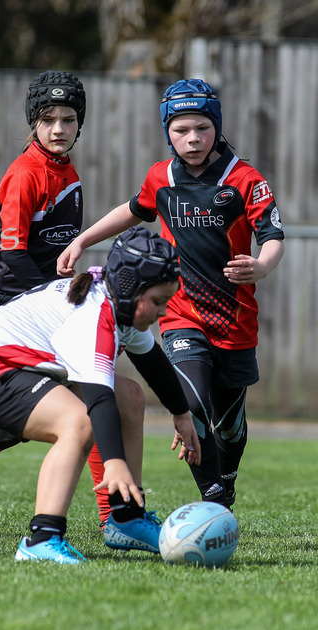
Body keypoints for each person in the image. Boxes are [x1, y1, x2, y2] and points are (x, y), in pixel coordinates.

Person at [58, 78, 284, 509]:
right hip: (182, 314)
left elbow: (273, 235)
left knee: (230, 427)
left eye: (202, 127)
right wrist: (83, 240)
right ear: (168, 132)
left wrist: (261, 265)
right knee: (192, 403)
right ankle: (213, 495)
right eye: (181, 130)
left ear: (216, 126)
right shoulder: (160, 177)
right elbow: (132, 211)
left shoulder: (244, 179)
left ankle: (226, 474)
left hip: (236, 320)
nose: (193, 139)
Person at [0, 70, 138, 530]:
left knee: (41, 412)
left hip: (53, 302)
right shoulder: (26, 174)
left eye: (69, 119)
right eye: (48, 119)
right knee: (89, 396)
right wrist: (54, 299)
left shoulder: (66, 169)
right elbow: (13, 250)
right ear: (34, 122)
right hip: (20, 302)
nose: (59, 128)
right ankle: (115, 517)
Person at [0, 226, 201, 563]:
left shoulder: (118, 305)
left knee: (130, 395)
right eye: (159, 301)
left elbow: (153, 363)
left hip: (24, 368)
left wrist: (182, 413)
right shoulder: (94, 318)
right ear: (131, 289)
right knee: (78, 423)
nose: (163, 312)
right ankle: (41, 540)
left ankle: (126, 518)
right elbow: (99, 400)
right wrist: (114, 465)